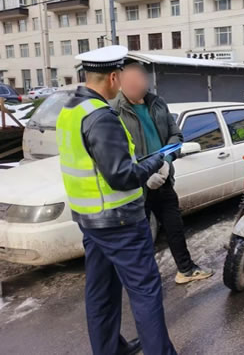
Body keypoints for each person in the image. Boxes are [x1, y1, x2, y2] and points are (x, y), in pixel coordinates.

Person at [56, 46, 176, 355]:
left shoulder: (71, 109)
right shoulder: (101, 116)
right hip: (119, 221)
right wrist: (156, 161)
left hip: (90, 219)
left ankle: (109, 349)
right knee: (145, 291)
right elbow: (122, 176)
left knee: (102, 291)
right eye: (120, 76)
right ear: (112, 77)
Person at [112, 63, 214, 284]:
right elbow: (117, 151)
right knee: (140, 235)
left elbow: (176, 136)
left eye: (139, 79)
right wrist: (144, 173)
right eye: (130, 81)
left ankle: (186, 270)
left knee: (174, 227)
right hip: (138, 184)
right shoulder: (114, 110)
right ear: (120, 82)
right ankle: (142, 281)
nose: (136, 85)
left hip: (163, 177)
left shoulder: (157, 103)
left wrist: (166, 162)